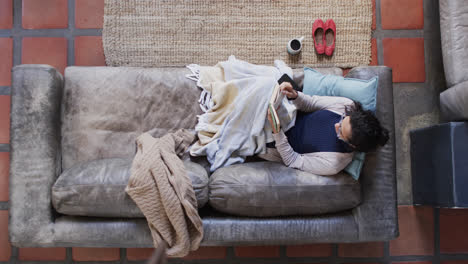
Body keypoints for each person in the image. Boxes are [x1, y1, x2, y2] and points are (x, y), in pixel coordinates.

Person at [261, 82, 389, 176]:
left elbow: (293, 160)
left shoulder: (334, 162)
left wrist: (277, 131)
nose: (336, 125)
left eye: (340, 132)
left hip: (271, 140)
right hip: (285, 111)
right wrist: (295, 95)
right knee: (262, 84)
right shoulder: (347, 106)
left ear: (352, 145)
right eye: (342, 120)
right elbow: (311, 103)